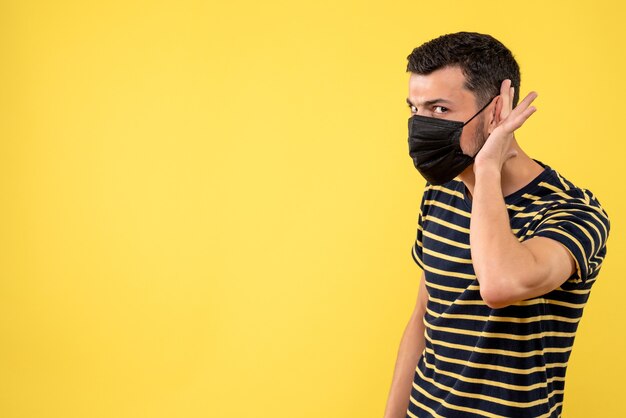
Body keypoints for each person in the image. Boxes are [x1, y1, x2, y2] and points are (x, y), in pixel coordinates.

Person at [383, 32, 610, 418]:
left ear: (498, 109)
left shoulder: (573, 212)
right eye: (415, 109)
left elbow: (500, 285)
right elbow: (424, 317)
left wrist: (488, 166)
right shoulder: (440, 195)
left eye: (439, 110)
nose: (421, 126)